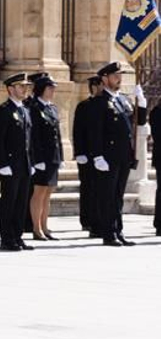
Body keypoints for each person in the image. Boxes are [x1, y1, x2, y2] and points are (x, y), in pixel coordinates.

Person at [85, 61, 137, 246]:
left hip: (123, 155)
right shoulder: (99, 102)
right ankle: (108, 233)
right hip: (108, 156)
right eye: (115, 76)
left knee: (118, 195)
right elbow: (95, 131)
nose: (119, 79)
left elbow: (134, 124)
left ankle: (118, 229)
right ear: (104, 79)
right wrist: (97, 155)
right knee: (107, 195)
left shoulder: (122, 100)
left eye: (120, 76)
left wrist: (142, 105)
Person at [0, 73, 34, 251]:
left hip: (23, 164)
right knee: (9, 201)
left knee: (22, 201)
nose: (25, 89)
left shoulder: (25, 110)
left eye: (26, 86)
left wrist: (32, 162)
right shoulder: (3, 110)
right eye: (21, 86)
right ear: (10, 89)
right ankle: (7, 238)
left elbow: (29, 140)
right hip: (9, 164)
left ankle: (17, 235)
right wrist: (2, 162)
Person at [26, 73, 62, 241]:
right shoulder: (34, 108)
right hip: (41, 158)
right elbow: (34, 137)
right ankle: (36, 228)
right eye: (50, 87)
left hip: (52, 156)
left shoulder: (52, 108)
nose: (53, 90)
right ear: (41, 89)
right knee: (39, 192)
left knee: (48, 193)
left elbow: (58, 134)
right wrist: (36, 159)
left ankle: (45, 226)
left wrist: (60, 156)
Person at [71, 74, 100, 235]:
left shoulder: (104, 105)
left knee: (99, 189)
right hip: (87, 154)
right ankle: (86, 219)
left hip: (100, 155)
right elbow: (78, 131)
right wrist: (79, 152)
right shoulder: (84, 106)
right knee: (88, 187)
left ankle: (97, 218)